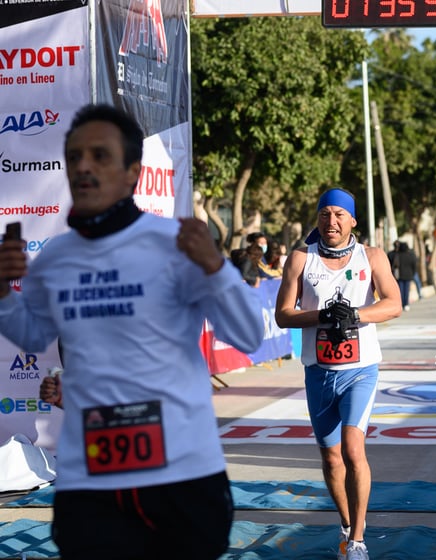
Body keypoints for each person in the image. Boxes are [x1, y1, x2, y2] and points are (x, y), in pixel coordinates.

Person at [0, 103, 264, 559]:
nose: (83, 166)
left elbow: (249, 335)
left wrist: (217, 267)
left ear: (132, 173)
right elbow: (30, 334)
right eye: (75, 156)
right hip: (91, 478)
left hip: (181, 473)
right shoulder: (58, 258)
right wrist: (4, 291)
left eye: (100, 155)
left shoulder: (175, 243)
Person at [275, 188, 401, 560]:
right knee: (331, 459)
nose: (332, 222)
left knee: (352, 448)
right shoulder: (301, 258)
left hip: (360, 371)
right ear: (317, 219)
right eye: (325, 215)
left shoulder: (372, 256)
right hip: (319, 372)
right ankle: (346, 526)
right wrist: (322, 317)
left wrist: (356, 316)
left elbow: (394, 303)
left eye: (339, 215)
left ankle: (359, 541)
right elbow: (283, 314)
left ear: (352, 221)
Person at [393, 242, 417, 311]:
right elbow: (414, 265)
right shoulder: (411, 255)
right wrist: (413, 273)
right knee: (406, 291)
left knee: (400, 290)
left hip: (400, 275)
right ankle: (406, 304)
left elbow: (395, 265)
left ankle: (401, 304)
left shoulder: (398, 255)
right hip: (408, 275)